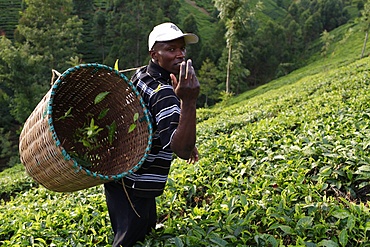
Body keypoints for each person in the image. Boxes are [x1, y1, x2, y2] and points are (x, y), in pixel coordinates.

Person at [104, 22, 200, 247]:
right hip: (136, 183)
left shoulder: (142, 75)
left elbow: (150, 120)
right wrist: (189, 101)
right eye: (171, 49)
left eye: (181, 49)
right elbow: (181, 151)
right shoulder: (165, 93)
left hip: (123, 174)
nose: (179, 55)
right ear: (154, 54)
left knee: (141, 230)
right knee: (129, 239)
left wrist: (178, 130)